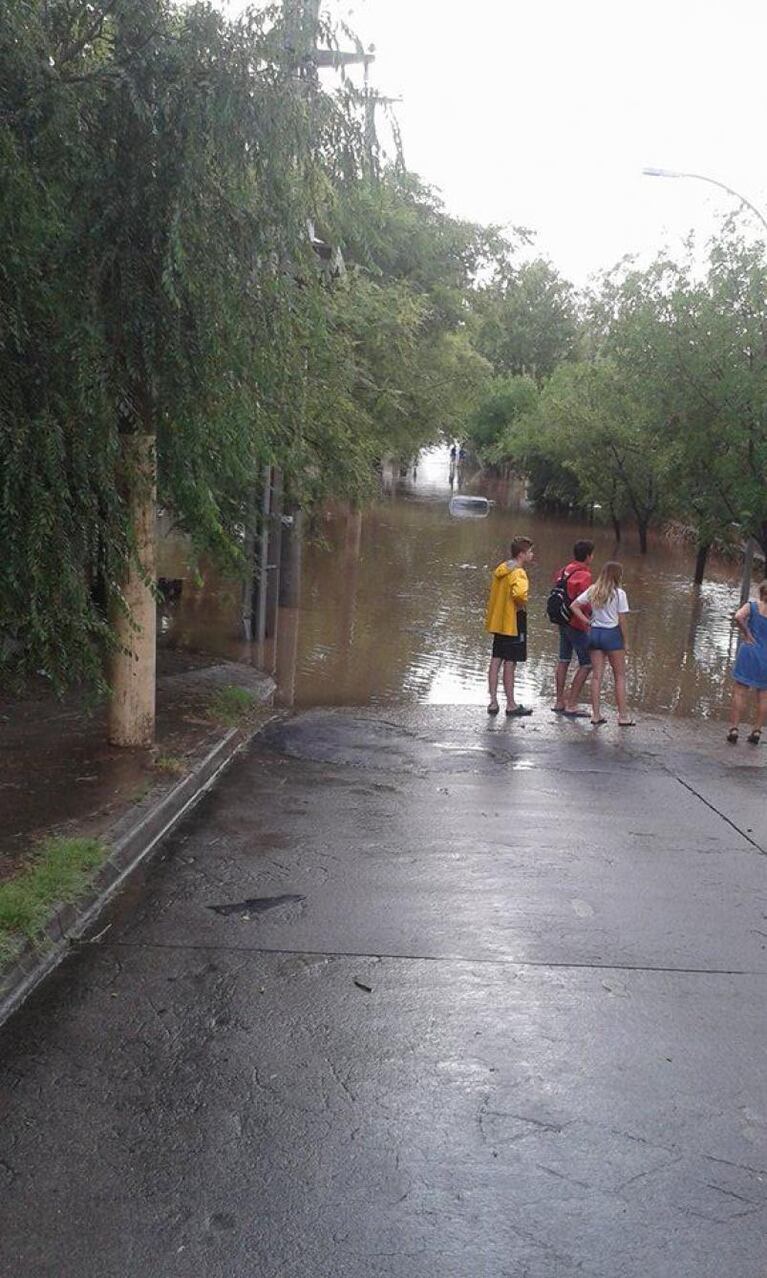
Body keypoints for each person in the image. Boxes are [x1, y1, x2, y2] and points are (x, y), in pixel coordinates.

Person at [570, 561, 634, 727]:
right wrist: (626, 642)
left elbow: (574, 606)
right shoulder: (619, 594)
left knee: (597, 676)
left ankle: (596, 715)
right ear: (617, 576)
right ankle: (623, 716)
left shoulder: (593, 590)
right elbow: (622, 620)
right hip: (611, 635)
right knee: (619, 676)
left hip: (594, 634)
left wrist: (587, 622)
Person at [485, 536, 535, 717]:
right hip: (513, 621)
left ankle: (492, 702)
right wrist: (522, 603)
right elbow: (520, 593)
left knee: (496, 659)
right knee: (510, 662)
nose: (532, 554)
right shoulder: (519, 572)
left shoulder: (502, 569)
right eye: (530, 552)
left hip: (498, 621)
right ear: (522, 554)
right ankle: (511, 705)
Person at [551, 539, 595, 717]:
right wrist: (589, 620)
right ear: (588, 556)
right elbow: (584, 602)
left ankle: (559, 701)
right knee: (587, 663)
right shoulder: (585, 576)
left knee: (563, 659)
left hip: (561, 620)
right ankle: (572, 704)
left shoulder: (563, 570)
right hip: (576, 623)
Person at [727, 580, 767, 744]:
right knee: (764, 696)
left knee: (739, 691)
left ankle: (734, 728)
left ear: (762, 592)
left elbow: (738, 616)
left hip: (750, 651)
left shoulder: (752, 605)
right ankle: (757, 731)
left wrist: (747, 634)